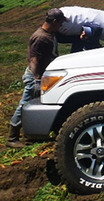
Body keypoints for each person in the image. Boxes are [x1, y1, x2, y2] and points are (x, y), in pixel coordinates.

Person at [7, 8, 67, 148]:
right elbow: (34, 60)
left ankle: (33, 133)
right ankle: (12, 137)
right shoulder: (41, 38)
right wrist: (36, 80)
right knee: (25, 104)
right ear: (54, 21)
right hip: (35, 76)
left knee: (36, 104)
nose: (61, 26)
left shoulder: (50, 34)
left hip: (42, 76)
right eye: (60, 23)